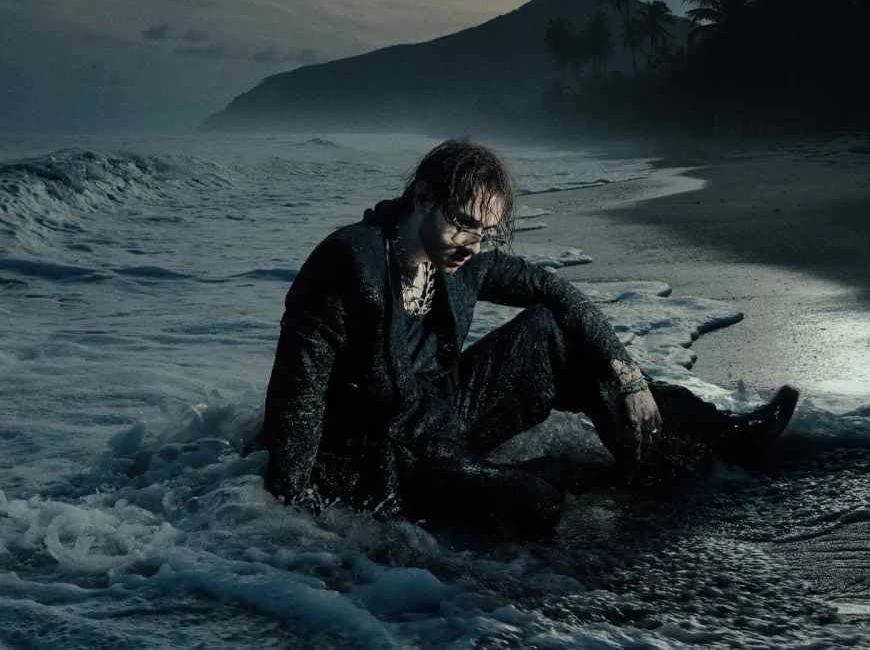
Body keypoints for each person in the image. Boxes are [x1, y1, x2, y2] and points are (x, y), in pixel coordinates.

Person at [255, 139, 799, 538]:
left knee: (547, 330)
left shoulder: (462, 258)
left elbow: (555, 291)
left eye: (486, 231)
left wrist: (628, 375)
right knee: (536, 502)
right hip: (386, 452)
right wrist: (296, 515)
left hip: (445, 415)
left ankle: (704, 442)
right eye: (463, 223)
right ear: (422, 197)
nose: (474, 243)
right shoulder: (348, 262)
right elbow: (297, 395)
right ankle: (532, 490)